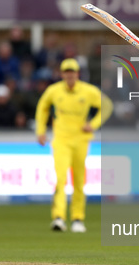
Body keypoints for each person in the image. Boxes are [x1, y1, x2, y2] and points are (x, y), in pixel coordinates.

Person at [35, 59, 112, 233]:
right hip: (61, 141)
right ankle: (58, 217)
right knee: (60, 179)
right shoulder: (54, 91)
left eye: (73, 71)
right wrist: (40, 130)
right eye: (66, 71)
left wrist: (92, 125)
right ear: (62, 74)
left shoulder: (88, 91)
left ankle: (78, 219)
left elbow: (106, 106)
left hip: (81, 141)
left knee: (79, 181)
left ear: (78, 73)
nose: (70, 75)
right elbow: (42, 107)